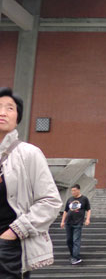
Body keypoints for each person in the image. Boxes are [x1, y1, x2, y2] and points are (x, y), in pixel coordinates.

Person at [0, 87, 61, 277]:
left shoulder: (29, 154)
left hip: (8, 248)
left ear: (18, 117)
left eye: (10, 108)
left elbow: (50, 201)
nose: (3, 112)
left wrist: (13, 233)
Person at [60, 184, 90, 266]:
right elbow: (65, 211)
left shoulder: (84, 199)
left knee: (76, 240)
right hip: (68, 222)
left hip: (78, 223)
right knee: (69, 240)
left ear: (78, 190)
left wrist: (87, 219)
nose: (73, 192)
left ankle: (75, 257)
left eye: (74, 190)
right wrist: (62, 221)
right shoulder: (70, 199)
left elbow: (88, 209)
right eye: (72, 191)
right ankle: (73, 254)